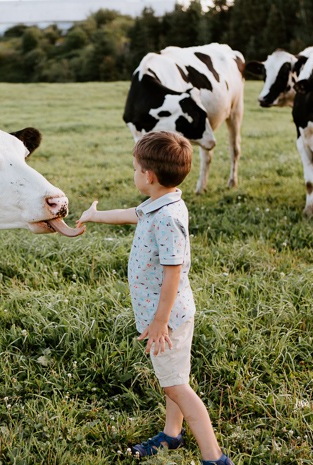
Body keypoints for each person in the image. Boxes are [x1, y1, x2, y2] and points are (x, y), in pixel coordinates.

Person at [76, 131, 233, 465]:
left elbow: (172, 273)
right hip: (173, 315)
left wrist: (159, 322)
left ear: (148, 176)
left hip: (168, 319)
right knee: (177, 378)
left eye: (135, 168)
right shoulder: (163, 202)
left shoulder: (166, 217)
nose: (134, 174)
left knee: (175, 387)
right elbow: (132, 214)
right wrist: (94, 216)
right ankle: (172, 434)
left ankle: (214, 457)